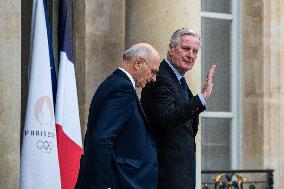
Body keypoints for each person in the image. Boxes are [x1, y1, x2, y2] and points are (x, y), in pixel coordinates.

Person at [75, 43, 161, 189]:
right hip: (115, 182)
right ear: (138, 63)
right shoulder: (123, 89)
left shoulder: (115, 83)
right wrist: (105, 185)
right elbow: (102, 139)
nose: (154, 78)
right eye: (153, 71)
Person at [141, 28, 216, 189]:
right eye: (186, 49)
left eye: (195, 51)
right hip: (165, 176)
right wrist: (201, 98)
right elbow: (168, 118)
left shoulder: (177, 79)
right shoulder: (160, 78)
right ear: (171, 48)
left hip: (180, 175)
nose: (191, 55)